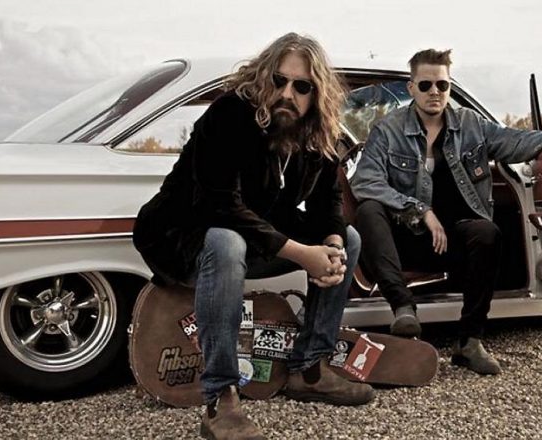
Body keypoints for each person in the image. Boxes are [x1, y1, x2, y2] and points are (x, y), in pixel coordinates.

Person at [133, 33, 374, 440]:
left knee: (348, 239)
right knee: (227, 241)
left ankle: (311, 370)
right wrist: (303, 254)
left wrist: (329, 245)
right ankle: (220, 397)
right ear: (263, 77)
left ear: (317, 94)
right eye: (278, 81)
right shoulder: (230, 115)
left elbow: (327, 205)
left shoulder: (319, 133)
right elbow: (218, 204)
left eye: (302, 87)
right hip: (181, 232)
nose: (287, 94)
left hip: (250, 231)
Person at [350, 48, 542, 375]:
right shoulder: (389, 129)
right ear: (411, 88)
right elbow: (365, 182)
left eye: (442, 85)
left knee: (487, 232)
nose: (434, 93)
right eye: (425, 85)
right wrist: (419, 209)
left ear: (450, 87)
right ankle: (403, 309)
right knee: (368, 211)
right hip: (406, 238)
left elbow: (513, 141)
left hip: (456, 240)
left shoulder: (471, 125)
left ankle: (469, 341)